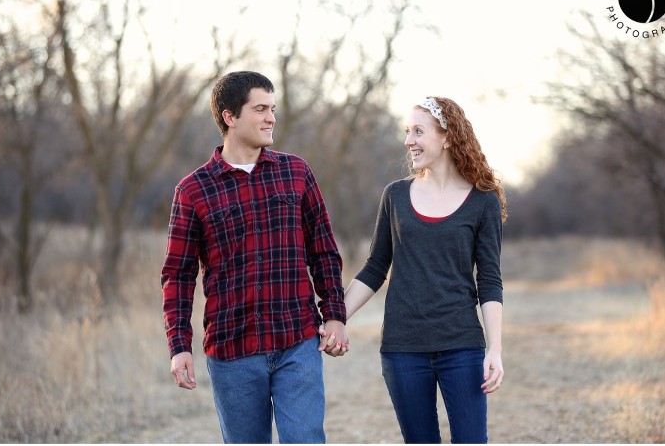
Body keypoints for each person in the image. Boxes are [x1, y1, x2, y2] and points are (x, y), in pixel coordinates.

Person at [160, 70, 348, 444]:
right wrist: (179, 346)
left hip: (297, 341)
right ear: (229, 116)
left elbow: (324, 251)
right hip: (233, 350)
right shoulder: (193, 191)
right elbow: (177, 276)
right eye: (260, 109)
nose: (271, 118)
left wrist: (335, 315)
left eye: (272, 109)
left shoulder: (296, 173)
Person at [342, 96, 507, 444]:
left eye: (418, 131)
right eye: (407, 131)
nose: (408, 141)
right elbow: (375, 268)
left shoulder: (483, 200)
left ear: (446, 136)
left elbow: (490, 280)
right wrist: (334, 317)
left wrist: (495, 349)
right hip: (402, 348)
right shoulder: (396, 195)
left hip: (462, 345)